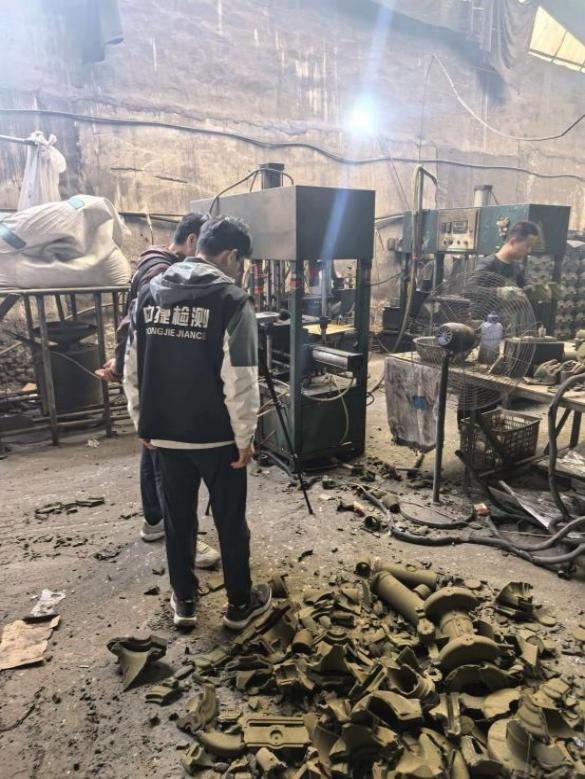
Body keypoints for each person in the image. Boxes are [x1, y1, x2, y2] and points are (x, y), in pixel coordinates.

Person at [123, 216, 271, 630]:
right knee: (230, 521)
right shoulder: (232, 300)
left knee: (178, 522)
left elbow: (131, 365)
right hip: (218, 439)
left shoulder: (150, 292)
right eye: (242, 262)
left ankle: (184, 603)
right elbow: (240, 377)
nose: (241, 270)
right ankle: (239, 605)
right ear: (231, 255)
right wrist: (245, 436)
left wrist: (142, 422)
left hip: (166, 437)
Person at [96, 213, 220, 568]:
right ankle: (179, 535)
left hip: (151, 378)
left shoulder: (153, 261)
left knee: (152, 452)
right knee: (164, 461)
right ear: (192, 241)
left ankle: (154, 521)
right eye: (206, 249)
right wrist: (125, 368)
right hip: (157, 382)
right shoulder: (160, 273)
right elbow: (132, 326)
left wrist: (123, 362)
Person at [472, 220, 540, 288]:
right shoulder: (487, 265)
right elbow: (471, 290)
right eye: (527, 246)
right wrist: (498, 292)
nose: (529, 251)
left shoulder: (516, 268)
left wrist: (532, 287)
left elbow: (523, 286)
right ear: (513, 242)